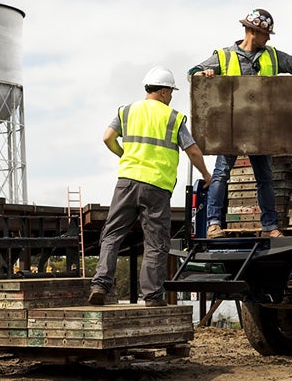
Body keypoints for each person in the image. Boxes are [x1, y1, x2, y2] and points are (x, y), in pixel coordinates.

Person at [188, 8, 292, 239]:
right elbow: (192, 72)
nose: (269, 38)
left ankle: (269, 227)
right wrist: (201, 74)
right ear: (254, 32)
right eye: (267, 34)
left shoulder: (272, 56)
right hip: (232, 128)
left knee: (264, 178)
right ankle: (214, 224)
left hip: (260, 130)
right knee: (221, 173)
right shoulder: (224, 56)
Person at [88, 66, 212, 307]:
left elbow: (107, 137)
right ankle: (153, 296)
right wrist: (206, 174)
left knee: (112, 234)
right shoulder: (173, 117)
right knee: (155, 241)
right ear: (164, 91)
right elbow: (193, 150)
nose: (172, 96)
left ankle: (100, 285)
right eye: (171, 92)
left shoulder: (127, 111)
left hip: (127, 181)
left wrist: (124, 155)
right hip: (156, 186)